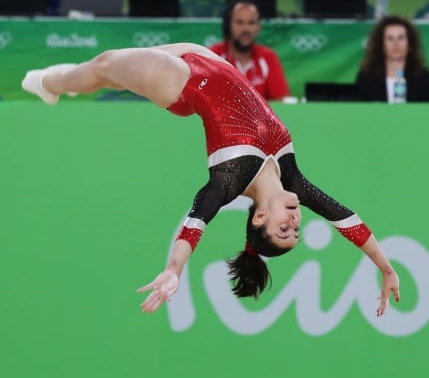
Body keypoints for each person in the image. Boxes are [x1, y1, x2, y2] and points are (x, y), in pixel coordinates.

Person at [21, 43, 400, 316]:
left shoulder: (230, 180)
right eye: (297, 230)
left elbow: (196, 221)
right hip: (210, 59)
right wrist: (385, 267)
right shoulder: (293, 180)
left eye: (284, 231)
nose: (296, 222)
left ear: (259, 219)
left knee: (105, 65)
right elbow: (345, 219)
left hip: (180, 81)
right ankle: (66, 81)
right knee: (110, 72)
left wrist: (174, 270)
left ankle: (52, 82)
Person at [209, 0, 290, 101]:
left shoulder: (268, 57)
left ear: (259, 27)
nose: (246, 29)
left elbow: (282, 101)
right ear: (228, 25)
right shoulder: (212, 56)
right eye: (239, 22)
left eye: (251, 23)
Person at [355, 15, 429, 102]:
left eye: (401, 38)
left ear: (410, 44)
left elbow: (427, 112)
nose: (396, 44)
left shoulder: (423, 76)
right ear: (381, 45)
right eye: (390, 38)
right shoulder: (366, 76)